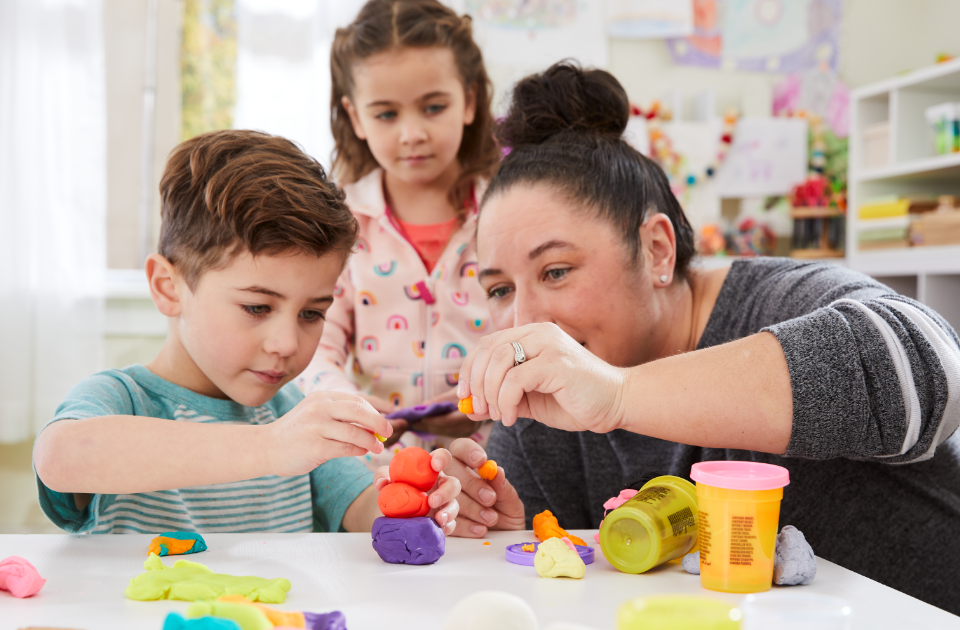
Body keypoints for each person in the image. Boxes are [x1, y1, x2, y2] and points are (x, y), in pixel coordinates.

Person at [445, 63, 960, 614]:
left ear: (657, 250)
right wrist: (495, 528)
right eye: (499, 289)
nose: (525, 319)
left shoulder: (777, 298)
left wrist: (620, 394)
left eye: (556, 272)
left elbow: (932, 374)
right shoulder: (540, 417)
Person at [32, 130, 460, 535]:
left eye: (311, 314)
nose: (287, 344)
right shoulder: (123, 400)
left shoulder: (292, 413)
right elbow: (59, 457)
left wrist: (422, 500)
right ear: (168, 288)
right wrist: (269, 448)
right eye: (257, 307)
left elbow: (367, 510)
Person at [296, 0, 500, 469]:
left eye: (433, 107)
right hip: (374, 471)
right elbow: (315, 346)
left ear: (468, 101)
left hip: (492, 463)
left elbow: (535, 337)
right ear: (355, 116)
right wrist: (351, 408)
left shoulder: (504, 214)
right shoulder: (339, 222)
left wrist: (489, 401)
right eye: (386, 114)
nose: (412, 133)